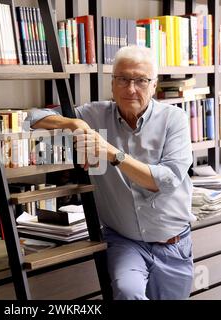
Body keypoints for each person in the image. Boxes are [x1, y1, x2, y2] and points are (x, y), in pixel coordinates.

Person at [26, 45, 195, 300]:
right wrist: (73, 123)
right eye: (123, 79)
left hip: (173, 245)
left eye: (140, 80)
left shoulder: (175, 119)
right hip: (125, 241)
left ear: (154, 85)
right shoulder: (93, 116)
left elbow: (167, 181)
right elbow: (30, 118)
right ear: (112, 83)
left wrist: (111, 153)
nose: (130, 89)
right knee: (128, 292)